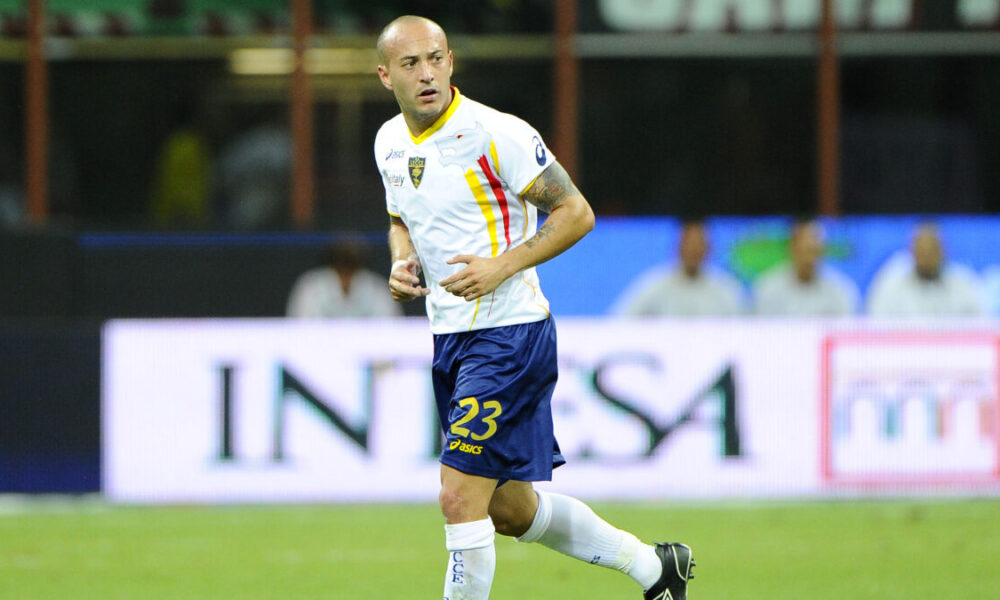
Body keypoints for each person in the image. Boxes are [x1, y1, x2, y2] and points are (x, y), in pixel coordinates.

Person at [373, 15, 693, 600]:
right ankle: (655, 568)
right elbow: (401, 217)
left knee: (458, 497)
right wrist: (401, 260)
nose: (427, 73)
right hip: (451, 338)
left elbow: (577, 212)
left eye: (436, 58)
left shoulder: (496, 134)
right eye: (411, 64)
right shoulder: (389, 141)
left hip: (509, 335)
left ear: (451, 61)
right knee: (509, 510)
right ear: (385, 75)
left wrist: (502, 265)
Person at [612, 218, 746, 316]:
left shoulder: (725, 288)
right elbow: (621, 319)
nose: (693, 251)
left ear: (708, 248)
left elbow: (744, 328)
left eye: (698, 245)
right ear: (678, 247)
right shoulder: (655, 284)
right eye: (689, 244)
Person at [866, 222, 985, 317]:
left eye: (932, 250)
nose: (927, 257)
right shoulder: (891, 286)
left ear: (943, 251)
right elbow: (876, 324)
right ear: (912, 251)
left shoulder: (963, 283)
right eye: (922, 251)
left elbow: (980, 322)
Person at [752, 217, 859, 316]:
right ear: (792, 247)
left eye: (814, 250)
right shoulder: (768, 287)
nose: (810, 258)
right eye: (805, 249)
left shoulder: (841, 290)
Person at [285, 239, 402, 318]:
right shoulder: (311, 286)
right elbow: (300, 331)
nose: (345, 274)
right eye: (340, 266)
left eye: (351, 266)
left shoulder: (377, 289)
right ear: (331, 264)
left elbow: (392, 332)